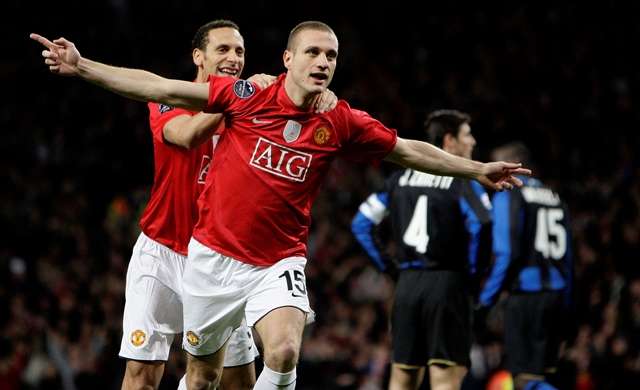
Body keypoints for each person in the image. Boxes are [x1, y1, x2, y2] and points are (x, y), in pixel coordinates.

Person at [31, 21, 530, 390]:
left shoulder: (339, 120)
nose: (324, 62)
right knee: (198, 377)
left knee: (286, 350)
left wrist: (477, 169)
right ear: (288, 59)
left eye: (331, 56)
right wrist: (84, 67)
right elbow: (162, 95)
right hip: (197, 254)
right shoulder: (239, 98)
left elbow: (405, 148)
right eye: (313, 52)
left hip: (276, 260)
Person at [114, 19, 337, 390]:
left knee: (237, 381)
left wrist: (317, 96)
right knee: (142, 375)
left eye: (240, 51)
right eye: (223, 49)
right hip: (163, 253)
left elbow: (301, 103)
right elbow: (184, 135)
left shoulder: (254, 109)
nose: (234, 58)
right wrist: (238, 99)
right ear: (198, 56)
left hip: (224, 259)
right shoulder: (174, 101)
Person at [351, 110, 493, 390]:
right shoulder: (462, 181)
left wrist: (392, 270)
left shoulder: (398, 180)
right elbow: (482, 223)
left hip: (407, 287)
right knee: (445, 379)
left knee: (402, 378)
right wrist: (473, 277)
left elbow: (361, 224)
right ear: (449, 141)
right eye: (467, 135)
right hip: (448, 284)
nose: (473, 142)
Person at [477, 142, 572, 390]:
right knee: (543, 375)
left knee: (523, 380)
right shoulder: (554, 196)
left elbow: (506, 252)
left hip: (527, 296)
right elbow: (568, 259)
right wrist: (568, 303)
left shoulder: (509, 193)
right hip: (557, 295)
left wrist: (486, 300)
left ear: (514, 167)